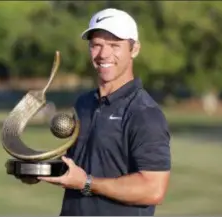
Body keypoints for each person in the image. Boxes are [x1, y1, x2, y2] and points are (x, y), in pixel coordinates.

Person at [21, 8, 172, 216]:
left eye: (114, 45)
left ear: (134, 49)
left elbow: (153, 189)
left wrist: (87, 183)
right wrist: (38, 170)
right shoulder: (84, 103)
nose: (103, 54)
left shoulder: (144, 113)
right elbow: (77, 169)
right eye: (96, 45)